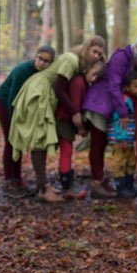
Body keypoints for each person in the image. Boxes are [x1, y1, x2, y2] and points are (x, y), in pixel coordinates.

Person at [9, 36, 106, 203]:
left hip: (46, 94)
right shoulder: (71, 59)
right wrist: (74, 112)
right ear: (86, 48)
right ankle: (43, 190)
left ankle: (43, 186)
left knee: (41, 139)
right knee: (38, 139)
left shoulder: (78, 65)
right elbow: (59, 88)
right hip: (39, 91)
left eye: (100, 54)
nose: (96, 56)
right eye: (94, 51)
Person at [82, 30, 137, 198]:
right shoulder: (122, 57)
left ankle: (108, 182)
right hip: (99, 103)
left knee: (108, 145)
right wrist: (123, 113)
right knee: (98, 144)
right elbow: (113, 86)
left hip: (110, 107)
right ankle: (96, 183)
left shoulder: (135, 61)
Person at [0, 45, 56, 199]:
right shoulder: (23, 70)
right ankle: (9, 181)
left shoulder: (44, 74)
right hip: (5, 102)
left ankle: (18, 180)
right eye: (40, 58)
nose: (41, 63)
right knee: (11, 141)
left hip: (19, 106)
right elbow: (11, 99)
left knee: (18, 143)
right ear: (35, 57)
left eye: (46, 61)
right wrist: (16, 122)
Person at [55, 60, 105, 199]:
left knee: (67, 150)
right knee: (66, 150)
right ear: (87, 68)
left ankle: (68, 184)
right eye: (93, 74)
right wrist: (81, 128)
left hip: (67, 120)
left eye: (97, 77)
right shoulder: (78, 82)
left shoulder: (84, 83)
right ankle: (67, 186)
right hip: (64, 119)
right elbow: (75, 109)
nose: (93, 79)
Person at [107, 71, 137, 198]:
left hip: (127, 139)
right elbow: (118, 120)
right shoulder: (124, 100)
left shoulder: (131, 99)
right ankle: (120, 188)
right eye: (136, 86)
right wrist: (121, 137)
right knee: (120, 161)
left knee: (130, 161)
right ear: (127, 87)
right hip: (120, 138)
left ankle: (129, 186)